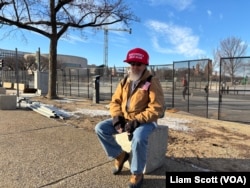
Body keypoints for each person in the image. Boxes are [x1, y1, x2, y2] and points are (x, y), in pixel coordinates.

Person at [95, 48, 165, 188]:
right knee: (100, 128)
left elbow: (156, 108)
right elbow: (115, 101)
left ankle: (137, 173)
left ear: (145, 65)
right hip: (126, 119)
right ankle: (120, 155)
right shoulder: (125, 81)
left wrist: (137, 120)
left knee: (139, 138)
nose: (134, 66)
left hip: (146, 121)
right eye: (132, 63)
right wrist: (117, 118)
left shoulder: (152, 82)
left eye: (138, 64)